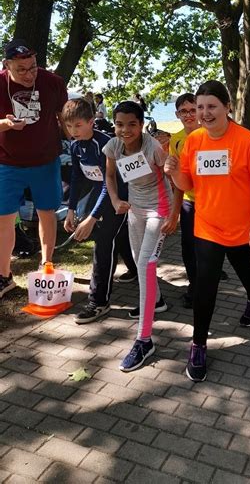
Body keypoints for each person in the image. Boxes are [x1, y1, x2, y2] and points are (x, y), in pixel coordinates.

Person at [165, 80, 250, 382]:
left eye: (212, 106)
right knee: (204, 284)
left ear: (227, 107)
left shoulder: (247, 142)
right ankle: (198, 343)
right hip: (207, 226)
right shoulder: (194, 142)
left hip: (241, 228)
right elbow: (188, 186)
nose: (205, 112)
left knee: (245, 269)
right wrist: (174, 173)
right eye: (200, 107)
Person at [104, 101, 171, 372]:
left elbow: (173, 178)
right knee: (138, 260)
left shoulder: (152, 147)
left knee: (144, 265)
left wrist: (174, 216)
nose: (125, 129)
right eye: (120, 124)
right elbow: (109, 176)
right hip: (135, 210)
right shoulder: (113, 147)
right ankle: (157, 301)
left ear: (141, 125)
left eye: (132, 124)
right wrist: (114, 199)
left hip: (160, 210)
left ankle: (144, 340)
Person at [0, 38, 67, 298]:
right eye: (21, 69)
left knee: (46, 213)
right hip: (7, 163)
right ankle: (4, 276)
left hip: (46, 160)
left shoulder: (53, 82)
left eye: (33, 67)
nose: (29, 74)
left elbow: (65, 117)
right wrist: (6, 124)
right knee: (4, 220)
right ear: (7, 66)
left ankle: (46, 265)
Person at [62, 98, 137, 323]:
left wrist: (92, 218)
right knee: (118, 237)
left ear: (91, 122)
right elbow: (76, 178)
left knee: (104, 244)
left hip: (120, 197)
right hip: (101, 196)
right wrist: (71, 209)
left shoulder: (106, 144)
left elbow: (108, 183)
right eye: (68, 126)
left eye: (78, 125)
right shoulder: (75, 146)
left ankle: (98, 302)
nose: (73, 131)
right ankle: (134, 271)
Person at [166, 93, 201, 307]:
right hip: (190, 201)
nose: (189, 115)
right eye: (183, 111)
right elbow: (177, 181)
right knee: (188, 247)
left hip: (214, 203)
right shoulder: (177, 140)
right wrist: (175, 213)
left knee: (211, 248)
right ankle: (194, 286)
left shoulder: (212, 134)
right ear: (177, 114)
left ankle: (208, 280)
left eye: (192, 109)